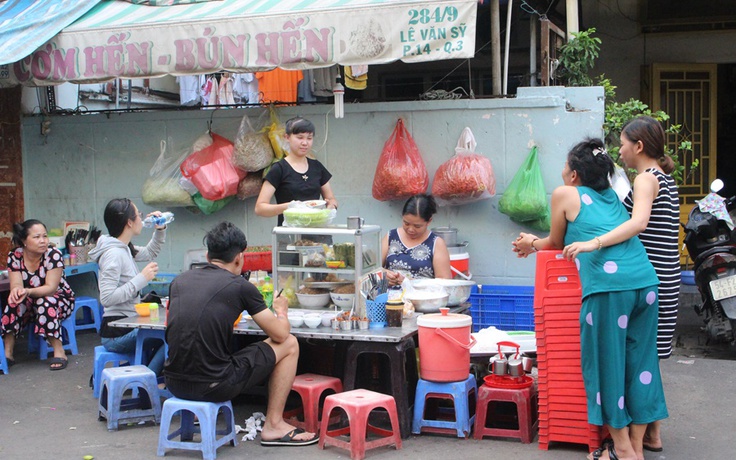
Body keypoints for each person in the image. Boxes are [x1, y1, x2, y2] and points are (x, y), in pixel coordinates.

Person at [513, 138, 668, 460]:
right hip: (645, 282)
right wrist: (533, 242)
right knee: (641, 366)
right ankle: (639, 445)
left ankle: (623, 449)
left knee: (607, 366)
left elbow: (556, 241)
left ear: (573, 175)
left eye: (565, 167)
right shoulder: (611, 196)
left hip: (609, 289)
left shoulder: (565, 194)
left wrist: (531, 241)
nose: (562, 172)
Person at [563, 116, 679, 453]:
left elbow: (639, 223)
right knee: (645, 361)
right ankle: (648, 440)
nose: (620, 152)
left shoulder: (645, 179)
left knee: (625, 362)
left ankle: (630, 447)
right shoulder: (666, 178)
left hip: (637, 273)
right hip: (659, 280)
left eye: (624, 145)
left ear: (639, 146)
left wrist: (592, 243)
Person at [164, 222, 317, 447]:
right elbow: (280, 334)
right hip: (214, 386)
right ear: (239, 258)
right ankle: (274, 425)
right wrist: (281, 312)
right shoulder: (240, 286)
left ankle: (197, 414)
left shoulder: (179, 281)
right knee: (291, 344)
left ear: (208, 256)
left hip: (174, 382)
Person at [88, 198, 167, 376]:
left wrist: (160, 229)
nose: (141, 218)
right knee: (171, 336)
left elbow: (150, 252)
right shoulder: (114, 254)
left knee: (165, 333)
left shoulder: (123, 247)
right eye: (138, 215)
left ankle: (144, 375)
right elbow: (106, 298)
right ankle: (147, 378)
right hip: (116, 333)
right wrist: (141, 279)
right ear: (129, 222)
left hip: (127, 324)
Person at [2, 220, 75, 370]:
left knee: (44, 302)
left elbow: (51, 288)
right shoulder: (15, 256)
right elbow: (16, 284)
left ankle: (59, 351)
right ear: (24, 241)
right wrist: (17, 291)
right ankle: (7, 353)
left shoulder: (53, 254)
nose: (42, 241)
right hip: (29, 299)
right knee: (13, 302)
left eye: (45, 236)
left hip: (59, 299)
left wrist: (28, 291)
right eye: (36, 237)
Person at [255, 117, 338, 226]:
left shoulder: (317, 166)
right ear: (287, 137)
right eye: (300, 137)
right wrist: (290, 206)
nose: (305, 143)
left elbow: (331, 198)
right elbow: (260, 208)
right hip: (290, 233)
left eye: (309, 138)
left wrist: (331, 206)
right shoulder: (279, 169)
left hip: (317, 231)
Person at [382, 194, 452, 285]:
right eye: (406, 223)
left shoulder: (436, 243)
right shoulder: (391, 236)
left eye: (417, 226)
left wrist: (410, 283)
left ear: (429, 221)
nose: (410, 229)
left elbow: (444, 281)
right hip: (390, 297)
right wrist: (384, 274)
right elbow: (371, 270)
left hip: (422, 297)